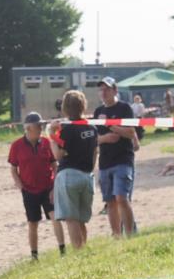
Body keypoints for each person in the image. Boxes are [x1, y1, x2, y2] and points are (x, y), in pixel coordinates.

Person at [9, 112, 65, 259]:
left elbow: (55, 165)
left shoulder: (46, 143)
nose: (41, 127)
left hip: (48, 188)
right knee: (33, 223)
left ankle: (63, 251)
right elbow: (14, 169)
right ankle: (34, 256)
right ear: (28, 128)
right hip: (29, 190)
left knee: (55, 217)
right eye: (38, 125)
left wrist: (55, 186)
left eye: (41, 125)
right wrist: (20, 186)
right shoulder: (16, 146)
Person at [48, 91, 98, 250]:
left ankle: (79, 252)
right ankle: (83, 250)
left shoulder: (67, 129)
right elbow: (95, 152)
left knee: (71, 219)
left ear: (65, 108)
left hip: (69, 174)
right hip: (87, 175)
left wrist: (51, 134)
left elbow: (58, 155)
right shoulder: (92, 127)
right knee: (81, 219)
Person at [93, 78, 138, 237]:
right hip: (105, 161)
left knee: (121, 197)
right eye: (101, 90)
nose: (103, 93)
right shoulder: (98, 111)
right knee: (110, 201)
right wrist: (105, 138)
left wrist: (111, 126)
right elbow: (95, 138)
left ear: (115, 91)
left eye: (107, 89)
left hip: (123, 159)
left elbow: (131, 133)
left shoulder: (124, 108)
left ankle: (131, 235)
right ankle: (116, 235)